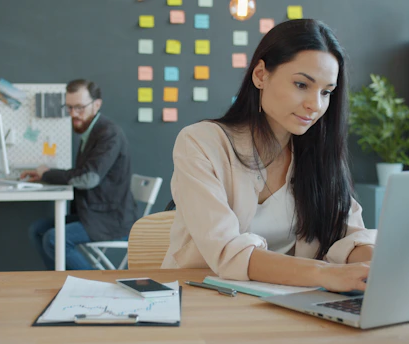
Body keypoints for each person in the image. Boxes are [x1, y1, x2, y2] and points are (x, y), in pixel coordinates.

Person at [161, 19, 376, 292]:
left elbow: (348, 235)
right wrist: (325, 274)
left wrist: (375, 264)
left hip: (287, 304)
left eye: (326, 92)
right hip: (200, 298)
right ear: (261, 75)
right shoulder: (201, 143)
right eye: (301, 85)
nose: (315, 104)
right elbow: (227, 250)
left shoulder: (321, 155)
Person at [23, 79, 138, 270]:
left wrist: (48, 174)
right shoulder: (91, 132)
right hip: (93, 213)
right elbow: (82, 174)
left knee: (54, 239)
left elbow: (87, 178)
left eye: (79, 107)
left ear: (97, 104)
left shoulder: (109, 134)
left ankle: (94, 285)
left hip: (111, 219)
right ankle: (58, 282)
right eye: (69, 108)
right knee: (38, 230)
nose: (73, 114)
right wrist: (45, 175)